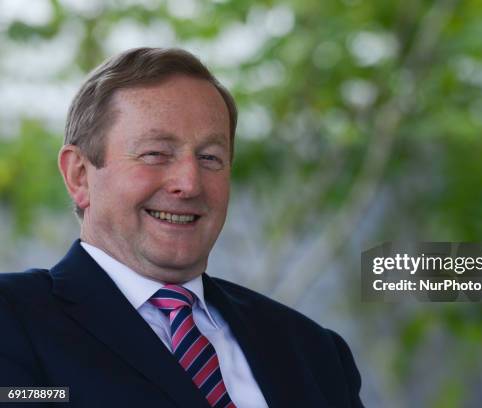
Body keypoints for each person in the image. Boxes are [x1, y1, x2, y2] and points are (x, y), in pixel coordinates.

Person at [0, 47, 363, 408]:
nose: (189, 183)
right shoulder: (14, 322)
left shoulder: (313, 351)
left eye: (210, 158)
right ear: (79, 175)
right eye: (155, 153)